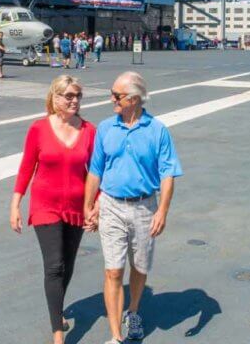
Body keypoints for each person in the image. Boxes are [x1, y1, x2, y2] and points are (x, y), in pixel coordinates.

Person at [84, 72, 183, 344]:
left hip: (144, 207)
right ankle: (116, 336)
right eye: (112, 94)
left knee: (139, 266)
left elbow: (168, 174)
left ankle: (134, 310)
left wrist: (162, 210)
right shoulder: (105, 128)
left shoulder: (157, 130)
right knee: (113, 270)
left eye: (117, 96)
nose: (112, 100)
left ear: (135, 98)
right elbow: (95, 171)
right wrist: (88, 206)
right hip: (111, 205)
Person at [11, 75, 96, 344]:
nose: (74, 100)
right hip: (45, 204)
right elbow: (27, 167)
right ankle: (58, 336)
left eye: (78, 96)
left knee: (68, 265)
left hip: (76, 206)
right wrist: (15, 203)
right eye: (68, 96)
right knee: (55, 266)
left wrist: (96, 205)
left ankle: (56, 308)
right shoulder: (38, 128)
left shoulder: (89, 130)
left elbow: (96, 173)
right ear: (55, 98)